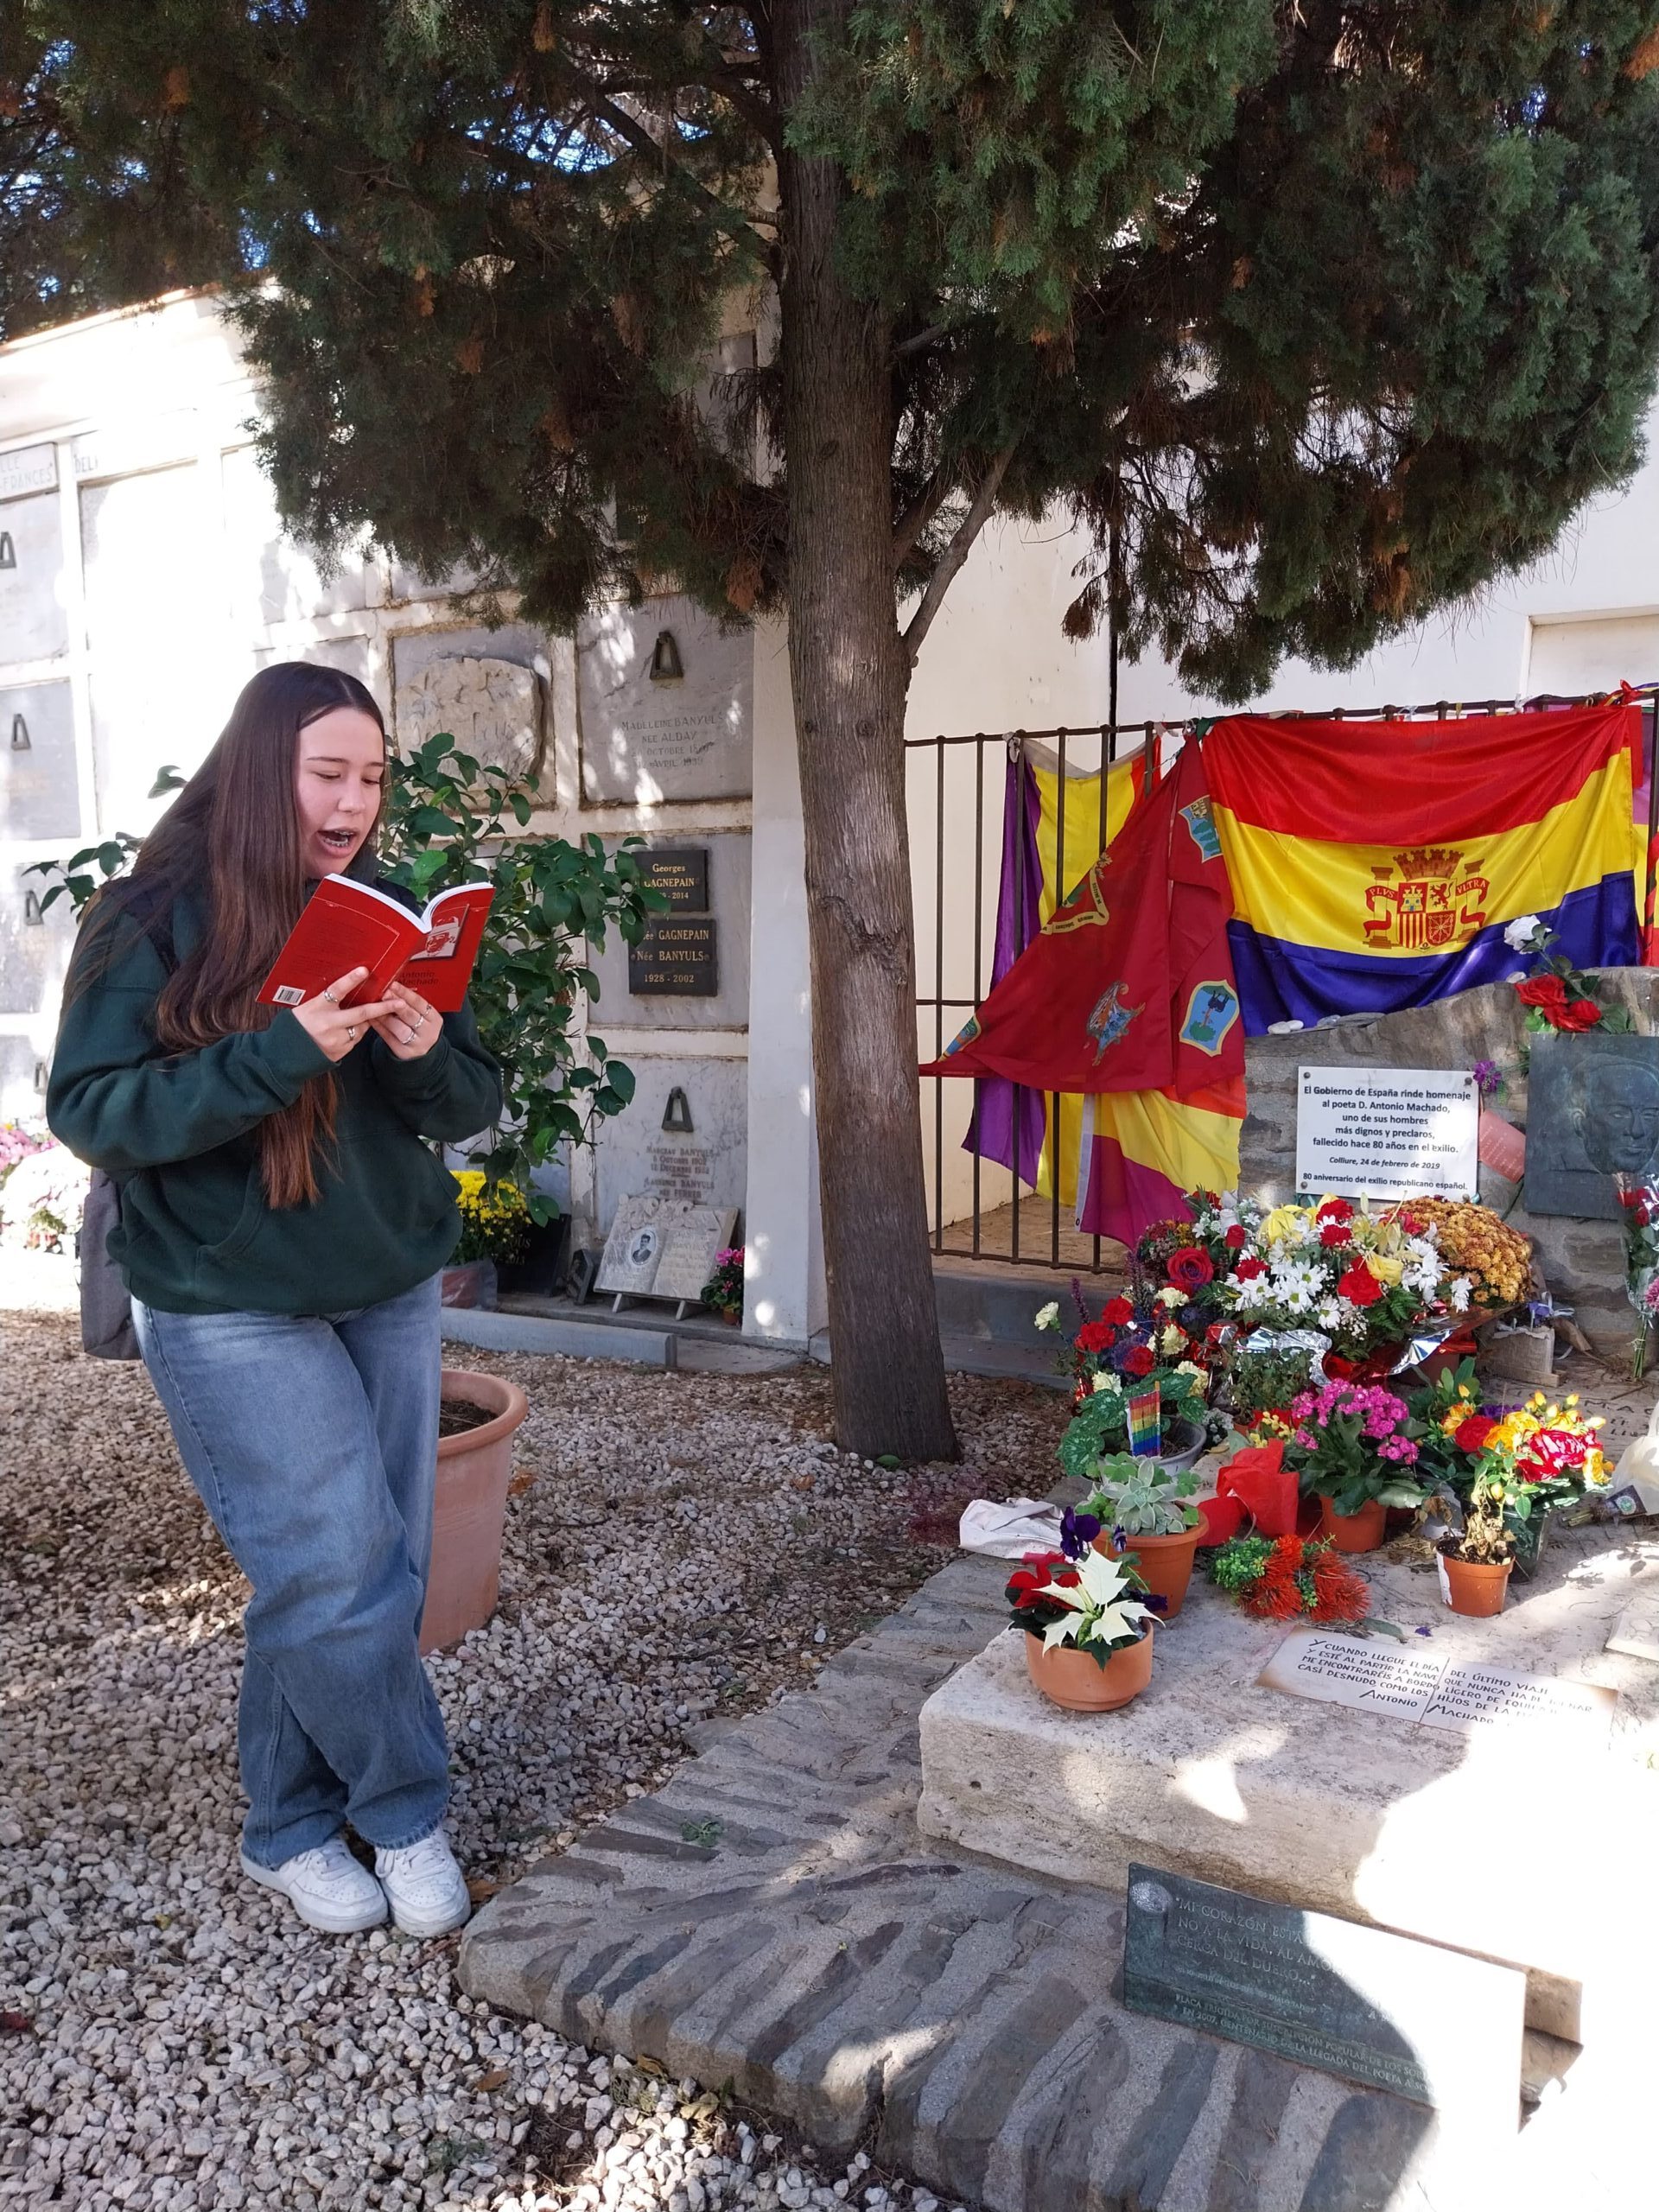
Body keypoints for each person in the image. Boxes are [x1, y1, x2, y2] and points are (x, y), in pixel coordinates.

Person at [47, 661, 503, 1939]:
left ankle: (287, 1825)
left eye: (372, 778)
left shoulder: (388, 907)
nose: (355, 803)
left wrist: (426, 1054)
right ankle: (406, 1813)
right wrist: (279, 1054)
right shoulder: (150, 916)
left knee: (353, 1569)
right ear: (262, 769)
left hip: (386, 1279)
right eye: (327, 774)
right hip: (227, 1297)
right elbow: (94, 1111)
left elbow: (468, 1099)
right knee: (337, 1565)